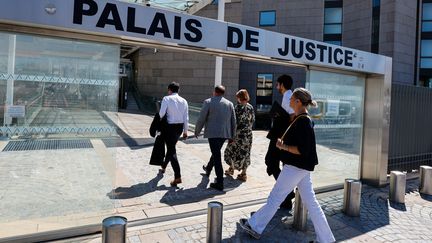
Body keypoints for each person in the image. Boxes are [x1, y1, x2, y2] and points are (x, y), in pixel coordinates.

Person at [239, 88, 335, 243]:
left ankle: (254, 226)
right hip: (301, 168)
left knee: (275, 197)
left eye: (292, 99)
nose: (289, 101)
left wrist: (283, 147)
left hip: (295, 166)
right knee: (311, 203)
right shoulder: (302, 119)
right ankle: (326, 239)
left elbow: (302, 149)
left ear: (298, 101)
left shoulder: (303, 121)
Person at [195, 85, 236, 191]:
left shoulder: (208, 102)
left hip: (213, 134)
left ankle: (220, 182)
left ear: (215, 92)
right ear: (223, 93)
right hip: (224, 134)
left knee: (217, 156)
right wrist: (232, 136)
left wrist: (197, 131)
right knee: (216, 152)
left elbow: (201, 118)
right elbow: (233, 121)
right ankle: (208, 169)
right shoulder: (230, 104)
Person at [265, 74, 296, 209]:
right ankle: (287, 198)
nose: (277, 87)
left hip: (280, 136)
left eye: (277, 84)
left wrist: (281, 118)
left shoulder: (289, 96)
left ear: (282, 84)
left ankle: (288, 194)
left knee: (271, 162)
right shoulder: (287, 96)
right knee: (278, 164)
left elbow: (293, 116)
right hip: (280, 135)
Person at [158, 82, 189, 187]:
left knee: (171, 150)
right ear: (178, 90)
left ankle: (178, 176)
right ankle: (163, 166)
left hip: (169, 128)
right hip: (179, 128)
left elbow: (161, 114)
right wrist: (185, 131)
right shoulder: (184, 101)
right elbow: (186, 117)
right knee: (171, 147)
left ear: (169, 90)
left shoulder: (166, 99)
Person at [224, 89, 255, 181]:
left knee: (230, 151)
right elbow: (252, 120)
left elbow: (234, 123)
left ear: (239, 97)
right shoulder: (250, 107)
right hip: (248, 135)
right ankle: (243, 173)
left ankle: (231, 169)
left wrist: (231, 135)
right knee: (246, 153)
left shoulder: (237, 108)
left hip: (238, 135)